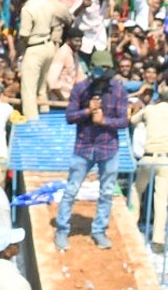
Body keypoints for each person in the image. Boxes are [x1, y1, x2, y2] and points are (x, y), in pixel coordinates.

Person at [54, 48, 129, 251]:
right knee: (71, 190)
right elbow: (70, 116)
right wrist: (88, 110)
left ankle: (99, 231)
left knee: (106, 192)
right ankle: (62, 229)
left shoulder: (119, 90)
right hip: (84, 147)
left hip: (108, 148)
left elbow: (124, 121)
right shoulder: (81, 88)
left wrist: (104, 120)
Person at [130, 85, 168, 249]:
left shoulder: (150, 109)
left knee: (136, 190)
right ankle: (158, 239)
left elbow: (132, 120)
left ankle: (131, 226)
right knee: (161, 200)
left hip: (148, 156)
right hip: (166, 159)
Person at [17, 0, 71, 119]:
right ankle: (45, 115)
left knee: (29, 90)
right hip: (49, 46)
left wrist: (20, 52)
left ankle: (32, 123)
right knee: (42, 88)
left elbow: (24, 35)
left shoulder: (28, 8)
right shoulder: (48, 4)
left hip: (34, 47)